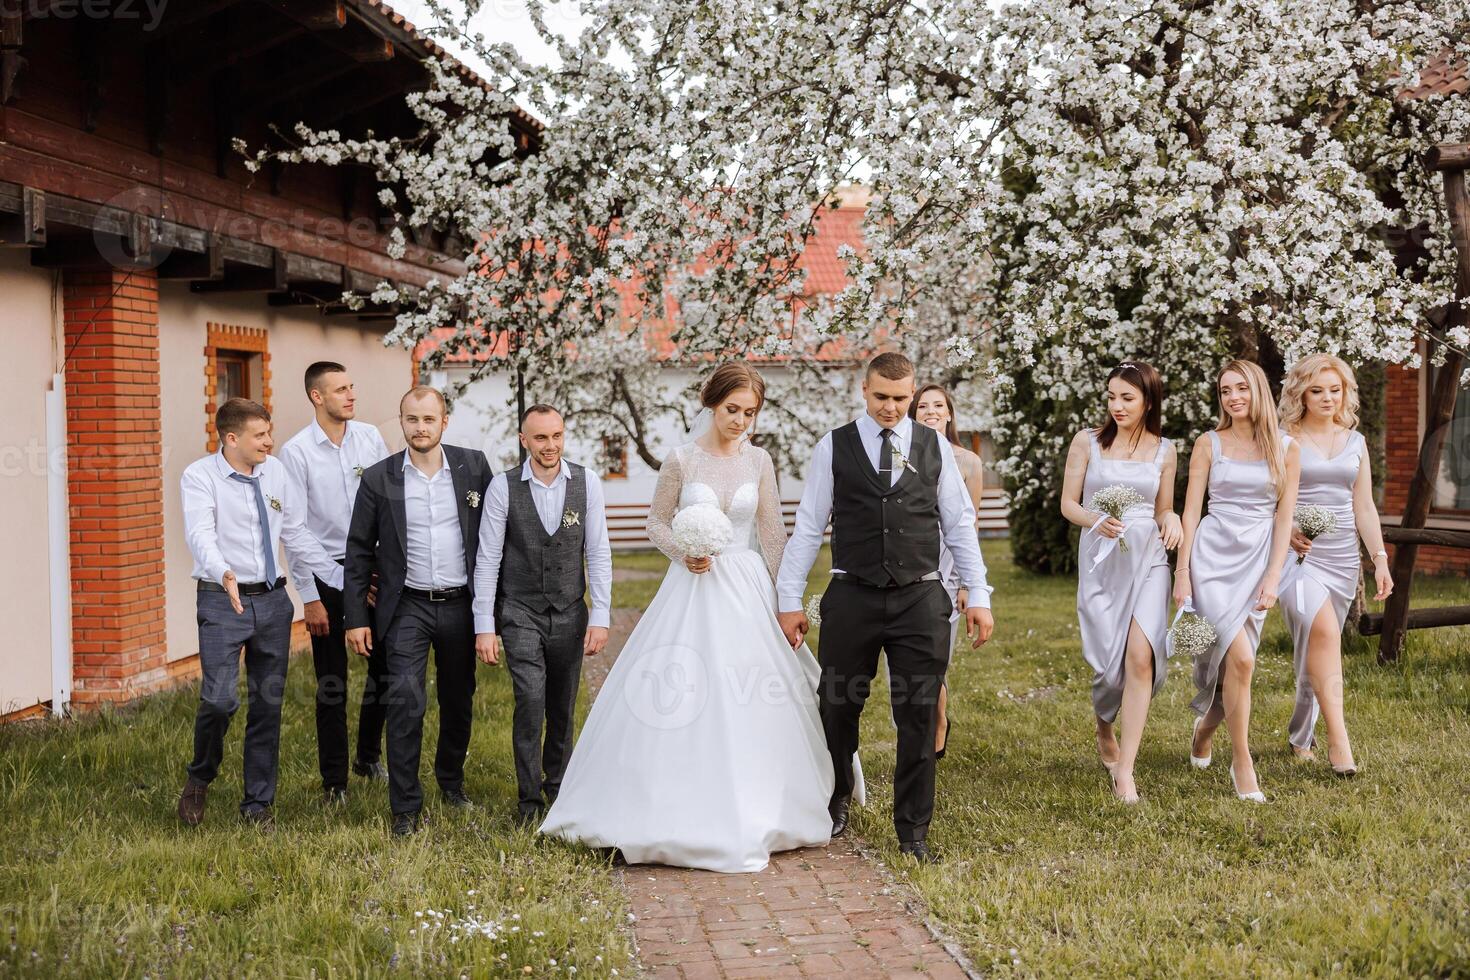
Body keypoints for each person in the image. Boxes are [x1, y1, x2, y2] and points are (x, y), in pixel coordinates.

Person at [540, 363, 836, 873]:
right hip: (692, 587)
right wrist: (684, 550)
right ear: (711, 404)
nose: (741, 421)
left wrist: (785, 601)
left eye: (750, 412)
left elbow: (770, 533)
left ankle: (760, 802)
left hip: (747, 589)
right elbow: (656, 521)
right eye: (732, 410)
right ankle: (663, 803)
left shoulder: (760, 461)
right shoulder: (681, 460)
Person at [777, 352, 995, 864]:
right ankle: (834, 797)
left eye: (901, 399)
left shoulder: (934, 447)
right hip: (851, 593)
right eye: (881, 398)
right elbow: (809, 526)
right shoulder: (833, 446)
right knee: (837, 703)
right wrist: (789, 599)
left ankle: (913, 830)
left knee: (918, 712)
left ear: (913, 394)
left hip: (920, 597)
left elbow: (960, 526)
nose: (891, 408)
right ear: (863, 389)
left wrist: (978, 596)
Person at [176, 398, 338, 828]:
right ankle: (200, 776)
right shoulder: (199, 477)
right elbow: (200, 533)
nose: (270, 441)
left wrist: (339, 578)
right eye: (260, 435)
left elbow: (295, 532)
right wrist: (223, 571)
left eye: (269, 432)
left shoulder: (276, 471)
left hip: (271, 602)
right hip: (221, 598)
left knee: (267, 705)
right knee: (219, 699)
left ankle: (257, 805)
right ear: (232, 438)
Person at [343, 386, 493, 836]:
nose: (420, 428)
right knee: (406, 701)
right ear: (401, 421)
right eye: (412, 419)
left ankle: (451, 781)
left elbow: (494, 538)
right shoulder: (379, 477)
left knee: (458, 699)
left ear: (444, 422)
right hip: (406, 604)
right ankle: (404, 807)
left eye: (429, 419)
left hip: (460, 604)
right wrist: (355, 618)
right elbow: (357, 551)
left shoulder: (474, 467)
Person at [473, 405, 614, 826]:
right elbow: (488, 558)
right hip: (519, 611)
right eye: (540, 438)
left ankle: (560, 791)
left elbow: (599, 551)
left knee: (563, 706)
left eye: (556, 436)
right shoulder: (503, 487)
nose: (549, 446)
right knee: (530, 700)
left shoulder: (587, 483)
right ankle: (528, 800)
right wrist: (485, 626)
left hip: (570, 611)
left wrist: (601, 615)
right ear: (523, 440)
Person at [1174, 359, 1299, 803]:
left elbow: (1284, 521)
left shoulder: (1286, 447)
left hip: (1257, 559)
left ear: (1257, 391)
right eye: (1225, 390)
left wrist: (1272, 578)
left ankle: (1205, 728)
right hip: (1212, 558)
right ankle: (1241, 761)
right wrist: (1183, 570)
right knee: (1239, 661)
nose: (1233, 398)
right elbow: (1191, 512)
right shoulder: (1208, 443)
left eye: (1241, 388)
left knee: (1235, 665)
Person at [1059, 361, 1181, 803]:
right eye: (1111, 396)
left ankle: (1125, 770)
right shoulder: (1086, 442)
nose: (1117, 405)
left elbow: (1163, 507)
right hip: (1100, 559)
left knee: (1139, 656)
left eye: (1127, 398)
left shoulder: (1166, 450)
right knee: (1108, 667)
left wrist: (1174, 520)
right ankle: (1103, 723)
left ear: (1149, 400)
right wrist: (1096, 519)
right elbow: (1068, 505)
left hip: (1148, 558)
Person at [279, 361, 392, 803]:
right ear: (316, 397)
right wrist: (309, 596)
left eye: (352, 387)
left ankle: (367, 755)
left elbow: (387, 506)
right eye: (340, 389)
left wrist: (381, 568)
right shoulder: (296, 452)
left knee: (384, 665)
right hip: (324, 569)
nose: (351, 395)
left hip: (374, 567)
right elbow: (295, 529)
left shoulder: (369, 438)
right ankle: (334, 783)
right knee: (332, 681)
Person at [1278, 354, 1392, 776]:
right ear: (1301, 394)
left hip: (1344, 558)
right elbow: (1265, 497)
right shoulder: (1283, 437)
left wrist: (1379, 559)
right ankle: (1338, 740)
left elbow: (1363, 506)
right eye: (1316, 390)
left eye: (1335, 389)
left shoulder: (1355, 442)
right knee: (1323, 632)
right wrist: (1286, 531)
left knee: (1316, 645)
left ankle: (1300, 735)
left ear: (1345, 393)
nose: (1327, 398)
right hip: (1297, 555)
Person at [909, 383, 986, 759]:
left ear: (950, 413)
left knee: (934, 657)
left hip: (948, 568)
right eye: (923, 406)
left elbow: (968, 526)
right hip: (910, 562)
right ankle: (918, 722)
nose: (931, 411)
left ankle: (937, 721)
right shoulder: (901, 456)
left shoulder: (969, 463)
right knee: (906, 660)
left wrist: (966, 583)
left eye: (939, 405)